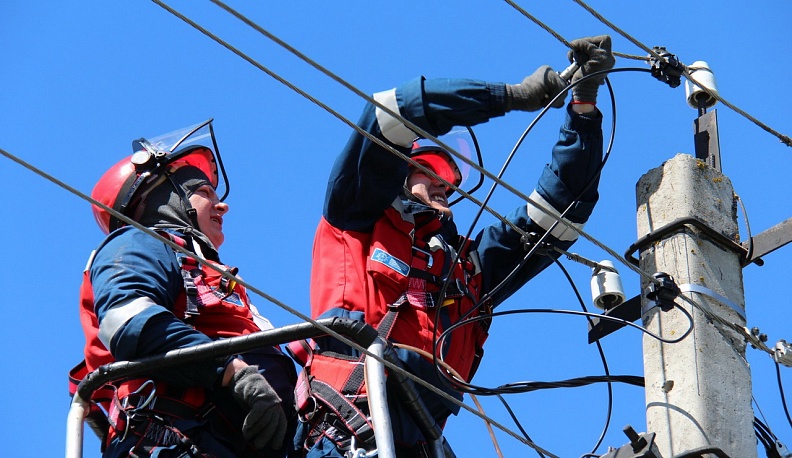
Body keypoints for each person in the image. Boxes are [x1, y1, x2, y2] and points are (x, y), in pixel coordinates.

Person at [293, 35, 615, 457]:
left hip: (422, 442)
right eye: (431, 168)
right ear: (400, 174)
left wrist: (584, 108)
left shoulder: (469, 267)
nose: (446, 181)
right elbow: (392, 111)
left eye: (453, 173)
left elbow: (562, 210)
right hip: (349, 430)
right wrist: (510, 97)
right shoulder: (356, 214)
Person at [68, 120, 297, 457]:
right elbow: (128, 321)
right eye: (204, 192)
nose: (222, 206)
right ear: (163, 199)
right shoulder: (139, 243)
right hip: (181, 438)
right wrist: (232, 372)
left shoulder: (211, 274)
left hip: (232, 438)